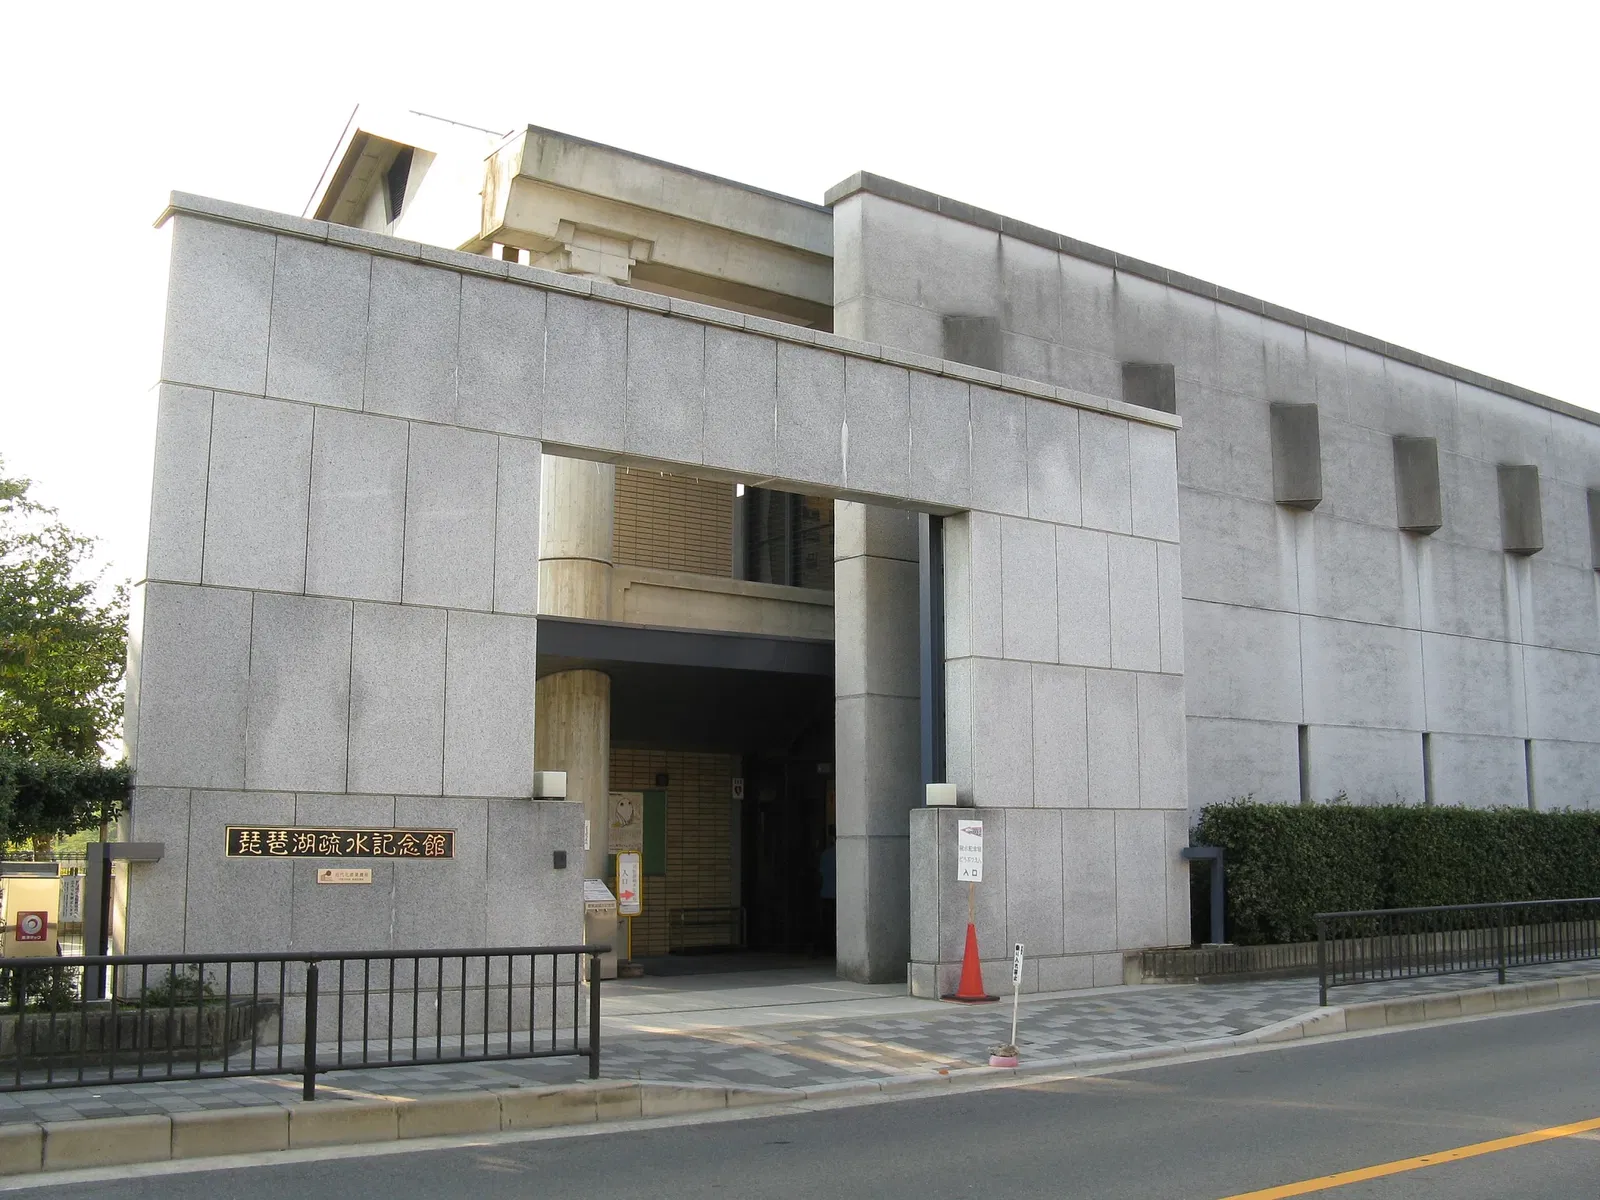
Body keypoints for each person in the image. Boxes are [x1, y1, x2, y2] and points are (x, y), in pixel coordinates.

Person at [816, 826, 836, 957]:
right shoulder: (842, 853)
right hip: (839, 894)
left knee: (828, 923)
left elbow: (821, 873)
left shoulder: (826, 854)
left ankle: (827, 948)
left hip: (827, 893)